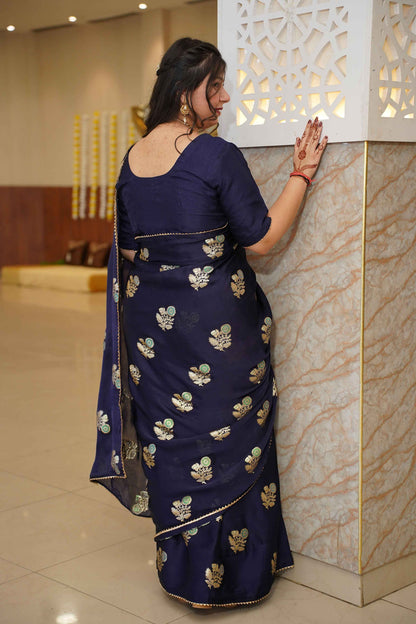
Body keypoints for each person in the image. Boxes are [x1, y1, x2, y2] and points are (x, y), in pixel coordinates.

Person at [90, 37, 327, 608]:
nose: (223, 99)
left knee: (172, 445)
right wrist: (302, 174)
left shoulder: (131, 161)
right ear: (183, 91)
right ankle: (237, 577)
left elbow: (129, 252)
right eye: (214, 87)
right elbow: (263, 240)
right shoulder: (215, 155)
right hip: (217, 332)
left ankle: (184, 576)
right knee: (228, 442)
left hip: (155, 337)